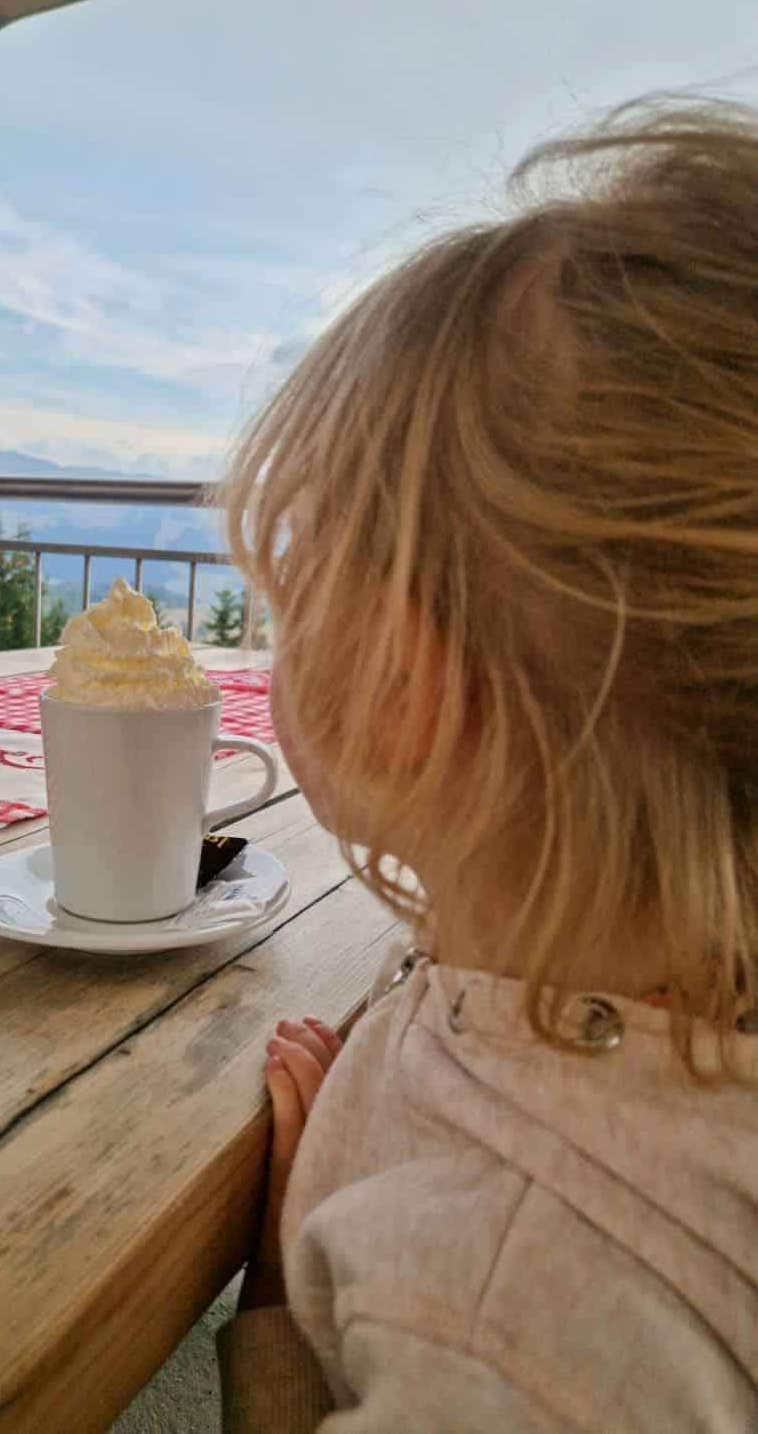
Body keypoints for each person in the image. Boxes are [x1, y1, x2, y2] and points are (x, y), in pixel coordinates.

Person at [216, 95, 758, 1430]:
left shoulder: (503, 1325)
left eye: (292, 596)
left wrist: (279, 1311)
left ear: (399, 693)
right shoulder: (599, 960)